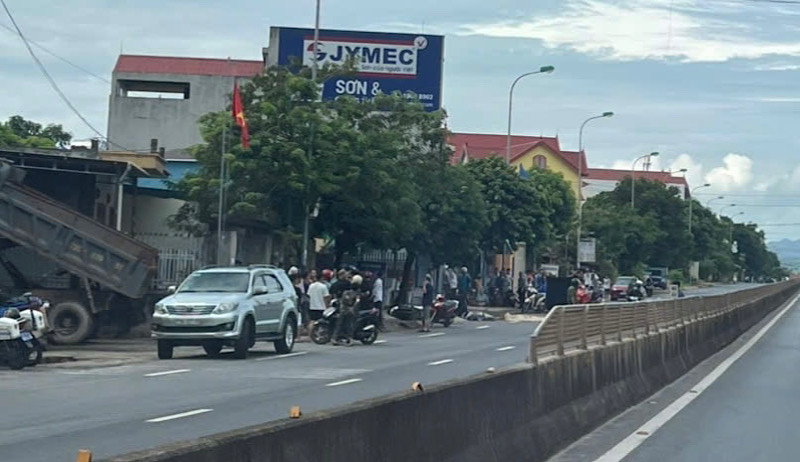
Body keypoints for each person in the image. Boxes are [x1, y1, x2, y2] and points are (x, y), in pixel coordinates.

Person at [333, 274, 362, 345]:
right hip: (351, 311)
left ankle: (334, 338)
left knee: (339, 324)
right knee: (350, 325)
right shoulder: (357, 292)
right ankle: (349, 339)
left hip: (343, 310)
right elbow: (357, 301)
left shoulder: (345, 291)